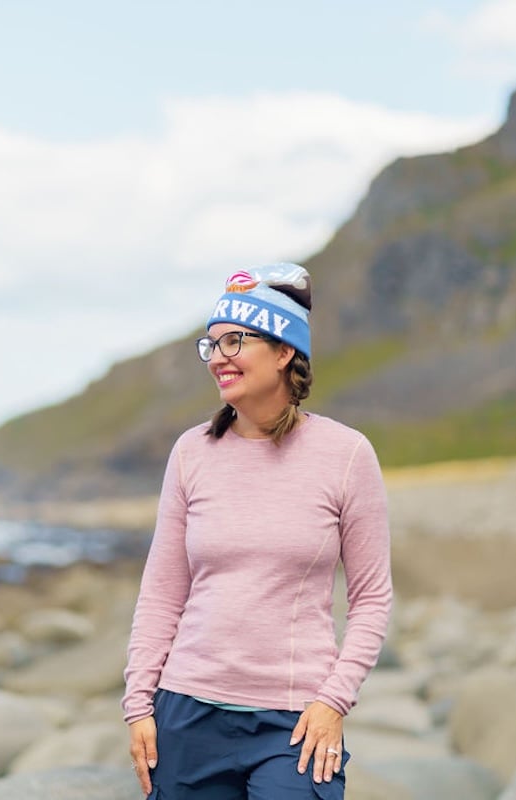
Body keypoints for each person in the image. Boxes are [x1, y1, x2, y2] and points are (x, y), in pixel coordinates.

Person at [122, 263, 393, 799]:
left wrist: (334, 700)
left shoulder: (347, 455)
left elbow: (372, 599)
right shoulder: (191, 453)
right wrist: (139, 704)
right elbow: (161, 593)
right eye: (212, 344)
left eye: (235, 341)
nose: (218, 357)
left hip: (295, 722)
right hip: (186, 712)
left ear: (285, 350)